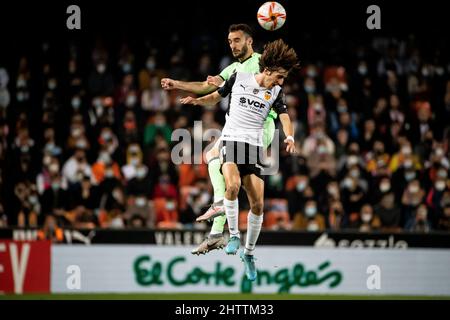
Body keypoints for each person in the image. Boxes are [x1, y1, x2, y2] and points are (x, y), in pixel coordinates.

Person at [180, 39, 299, 281]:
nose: (281, 81)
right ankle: (233, 235)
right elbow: (216, 95)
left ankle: (249, 253)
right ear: (266, 71)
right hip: (232, 141)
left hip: (254, 148)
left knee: (257, 206)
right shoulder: (239, 78)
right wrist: (196, 100)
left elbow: (284, 116)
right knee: (232, 186)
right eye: (279, 76)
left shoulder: (276, 91)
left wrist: (290, 136)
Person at [162, 24, 279, 255]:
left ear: (249, 41)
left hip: (260, 124)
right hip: (236, 126)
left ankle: (221, 218)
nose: (232, 45)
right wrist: (177, 84)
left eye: (237, 40)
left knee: (236, 179)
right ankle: (217, 229)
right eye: (229, 41)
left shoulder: (261, 62)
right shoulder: (233, 68)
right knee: (211, 157)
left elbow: (276, 80)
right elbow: (209, 90)